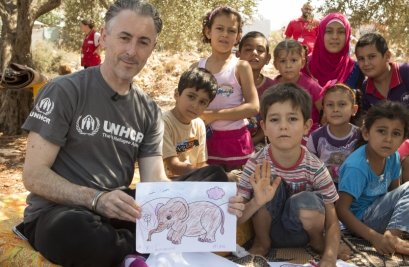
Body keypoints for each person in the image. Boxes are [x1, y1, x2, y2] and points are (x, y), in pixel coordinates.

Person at [19, 1, 245, 266]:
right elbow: (33, 176)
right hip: (62, 211)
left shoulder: (147, 109)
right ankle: (141, 250)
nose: (131, 51)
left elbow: (155, 182)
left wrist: (213, 202)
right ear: (104, 37)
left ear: (152, 49)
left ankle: (134, 247)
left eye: (143, 42)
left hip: (118, 208)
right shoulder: (65, 91)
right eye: (124, 38)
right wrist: (95, 199)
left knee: (214, 178)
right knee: (70, 232)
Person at [237, 83, 348, 266]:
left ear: (306, 126)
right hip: (269, 229)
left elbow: (332, 217)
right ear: (264, 127)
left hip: (301, 234)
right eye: (274, 120)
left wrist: (329, 255)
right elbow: (238, 218)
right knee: (268, 182)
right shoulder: (256, 163)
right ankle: (262, 243)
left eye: (292, 119)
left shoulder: (315, 167)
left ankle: (317, 242)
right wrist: (257, 201)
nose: (283, 127)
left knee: (307, 200)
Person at [336, 101, 409, 258]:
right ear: (366, 133)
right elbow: (341, 210)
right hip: (362, 221)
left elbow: (396, 192)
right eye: (381, 131)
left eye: (396, 133)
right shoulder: (357, 167)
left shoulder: (393, 156)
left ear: (404, 138)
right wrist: (375, 237)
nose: (388, 139)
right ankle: (392, 238)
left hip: (382, 211)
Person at [193, 6, 259, 171]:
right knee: (208, 190)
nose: (225, 34)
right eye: (219, 28)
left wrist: (213, 115)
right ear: (208, 32)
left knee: (238, 192)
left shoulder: (241, 67)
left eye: (231, 31)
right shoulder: (196, 67)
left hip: (237, 144)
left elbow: (253, 107)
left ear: (237, 37)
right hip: (203, 143)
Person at [162, 67, 229, 182]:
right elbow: (173, 165)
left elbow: (201, 163)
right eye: (191, 97)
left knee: (222, 175)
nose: (195, 105)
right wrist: (204, 174)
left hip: (192, 179)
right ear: (177, 94)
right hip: (168, 182)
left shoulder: (199, 124)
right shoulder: (164, 122)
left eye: (202, 102)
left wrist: (211, 174)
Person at [355, 32, 409, 112]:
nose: (366, 63)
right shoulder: (365, 88)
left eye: (372, 56)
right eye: (361, 59)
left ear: (387, 56)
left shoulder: (408, 72)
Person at [306, 83, 360, 187]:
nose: (335, 109)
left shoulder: (360, 136)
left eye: (342, 104)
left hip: (354, 188)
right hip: (323, 189)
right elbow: (310, 168)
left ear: (354, 110)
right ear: (324, 109)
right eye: (330, 105)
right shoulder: (316, 137)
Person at [305, 13, 365, 90]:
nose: (335, 37)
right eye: (329, 31)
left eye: (341, 32)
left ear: (347, 35)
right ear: (321, 34)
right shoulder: (304, 65)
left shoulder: (356, 70)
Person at [273, 39, 322, 132]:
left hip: (307, 133)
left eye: (293, 60)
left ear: (302, 63)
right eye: (283, 61)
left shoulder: (311, 85)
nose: (288, 65)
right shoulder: (273, 86)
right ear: (276, 64)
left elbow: (324, 111)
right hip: (281, 131)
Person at [236, 31, 274, 147]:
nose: (254, 53)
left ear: (267, 58)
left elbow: (272, 120)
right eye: (248, 49)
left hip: (259, 142)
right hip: (229, 139)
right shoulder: (229, 83)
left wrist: (252, 142)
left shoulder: (272, 88)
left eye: (260, 50)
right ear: (238, 55)